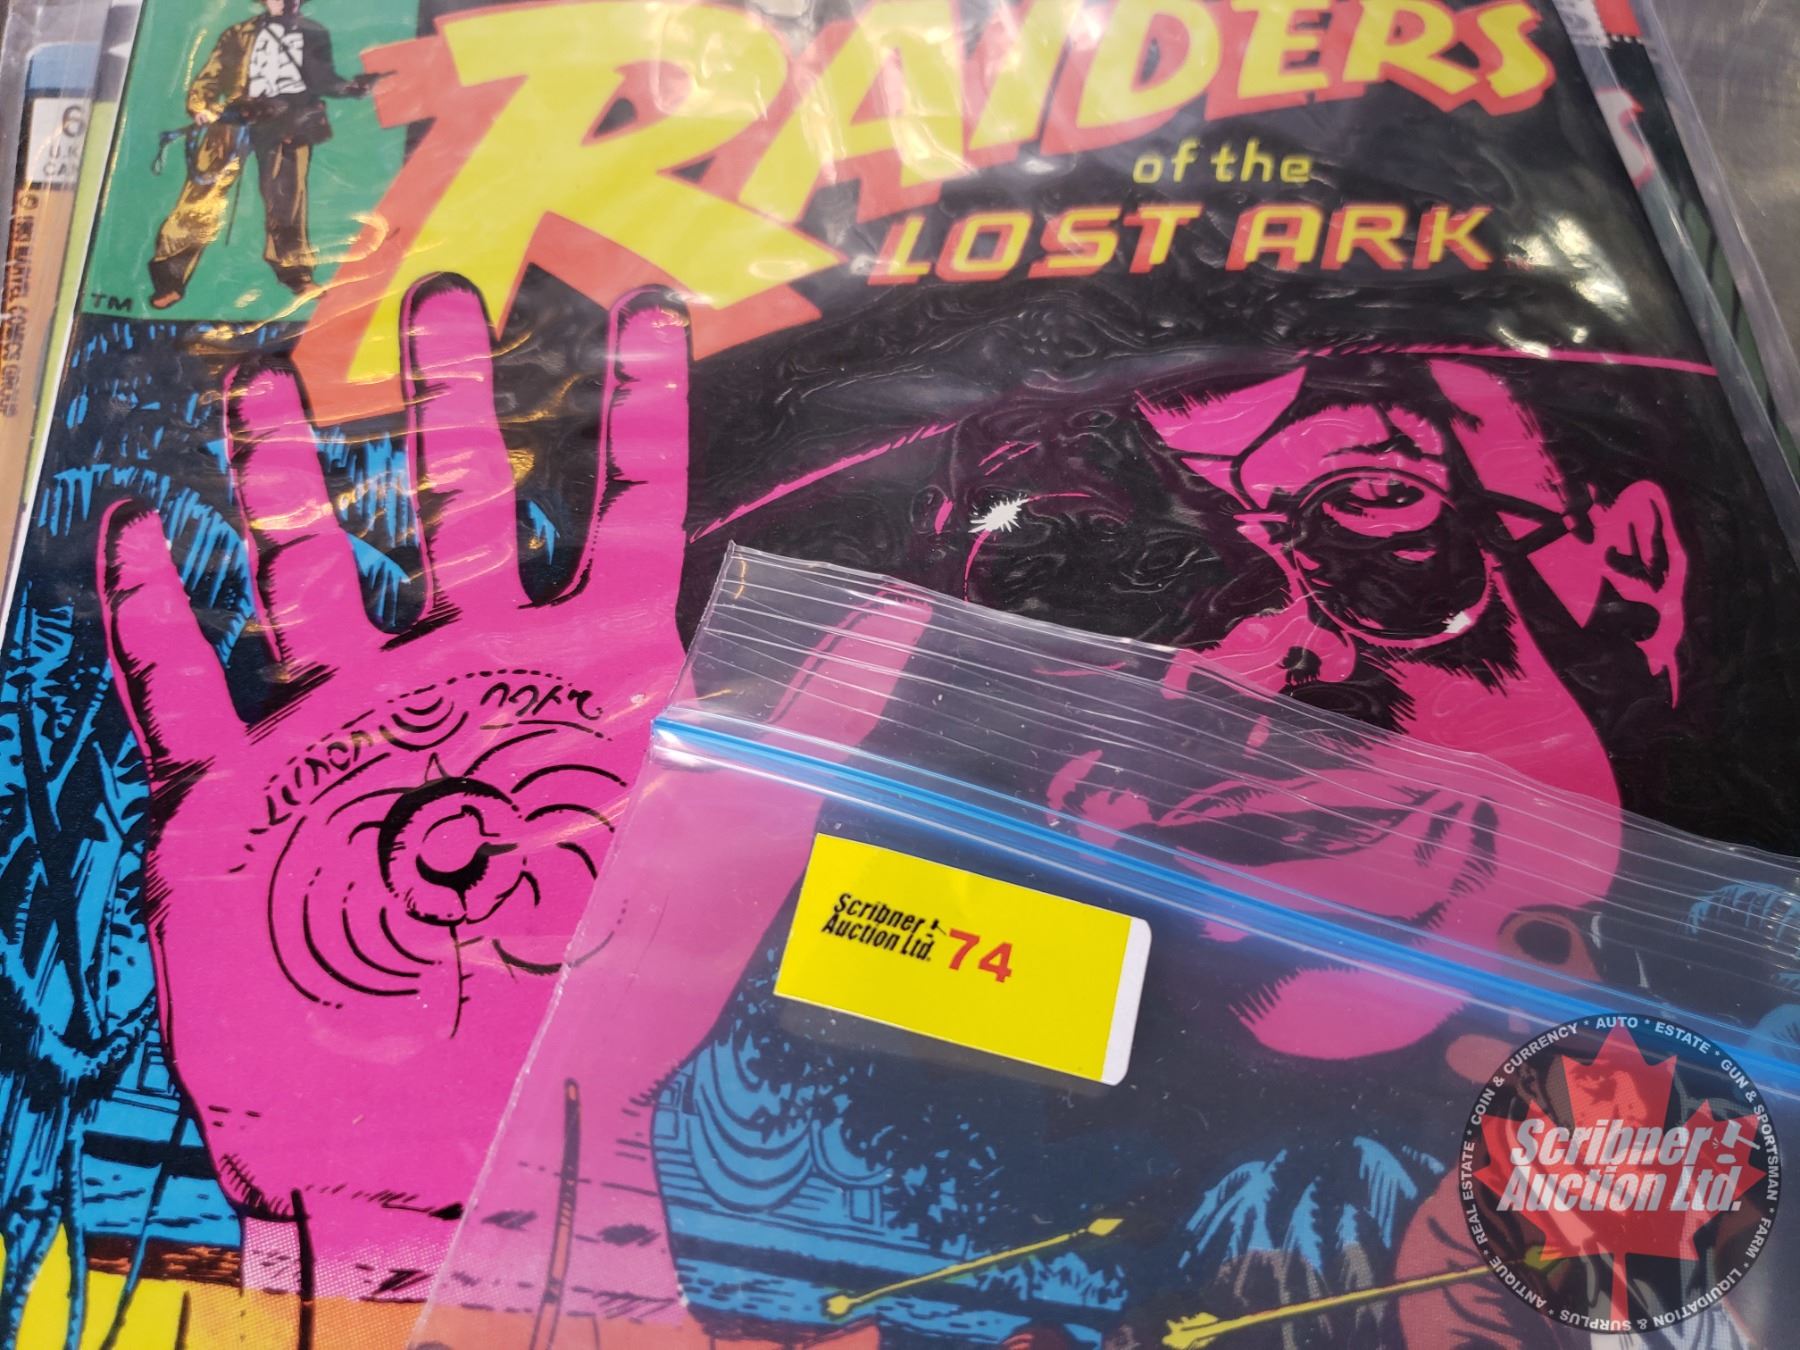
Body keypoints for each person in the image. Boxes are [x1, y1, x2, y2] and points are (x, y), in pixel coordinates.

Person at [147, 0, 373, 307]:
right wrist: (200, 106)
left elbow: (324, 79)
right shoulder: (239, 33)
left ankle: (296, 275)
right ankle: (169, 277)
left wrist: (353, 87)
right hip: (236, 120)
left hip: (289, 122)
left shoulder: (314, 32)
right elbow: (211, 76)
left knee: (287, 201)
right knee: (201, 198)